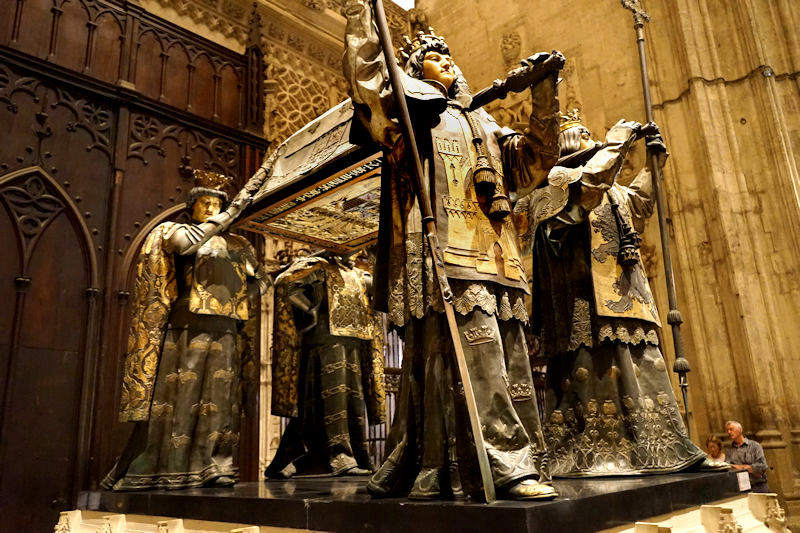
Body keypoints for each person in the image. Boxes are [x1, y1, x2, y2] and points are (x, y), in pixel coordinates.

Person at [343, 0, 564, 500]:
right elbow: (370, 87)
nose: (448, 61)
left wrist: (545, 90)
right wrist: (361, 15)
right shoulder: (412, 111)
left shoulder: (485, 125)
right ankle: (505, 467)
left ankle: (463, 466)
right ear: (415, 70)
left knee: (508, 365)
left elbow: (533, 165)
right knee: (467, 360)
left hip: (496, 258)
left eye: (450, 57)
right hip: (444, 254)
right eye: (434, 56)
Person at [517, 110, 707, 476]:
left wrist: (654, 164)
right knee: (598, 374)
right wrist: (619, 139)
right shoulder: (558, 186)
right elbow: (590, 187)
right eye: (585, 135)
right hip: (584, 307)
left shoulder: (611, 190)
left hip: (629, 296)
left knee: (646, 368)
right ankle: (601, 453)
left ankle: (662, 450)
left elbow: (639, 206)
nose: (594, 140)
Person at [103, 170, 267, 490]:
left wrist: (238, 300)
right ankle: (165, 466)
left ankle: (214, 464)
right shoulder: (174, 230)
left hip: (226, 327)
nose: (210, 208)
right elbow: (184, 245)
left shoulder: (240, 244)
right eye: (204, 203)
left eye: (216, 204)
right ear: (192, 207)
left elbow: (260, 279)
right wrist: (227, 216)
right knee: (180, 396)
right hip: (186, 326)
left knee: (220, 401)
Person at [266, 252, 386, 478]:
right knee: (332, 400)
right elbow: (284, 284)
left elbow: (383, 291)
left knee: (352, 402)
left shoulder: (360, 273)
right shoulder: (316, 266)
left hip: (354, 343)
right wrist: (309, 309)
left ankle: (356, 454)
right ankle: (339, 456)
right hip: (325, 341)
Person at [725, 420, 769, 492]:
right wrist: (749, 468)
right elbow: (728, 467)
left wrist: (740, 467)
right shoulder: (729, 450)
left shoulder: (755, 446)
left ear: (740, 429)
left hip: (758, 486)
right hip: (741, 488)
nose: (729, 432)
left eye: (731, 429)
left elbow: (762, 466)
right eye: (727, 430)